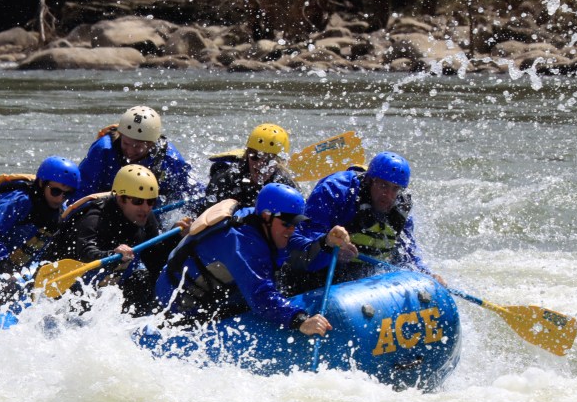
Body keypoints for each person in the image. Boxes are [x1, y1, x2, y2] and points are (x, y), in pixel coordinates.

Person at [155, 183, 337, 336]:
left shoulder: (265, 221)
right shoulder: (240, 245)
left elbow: (303, 251)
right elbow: (260, 296)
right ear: (266, 216)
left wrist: (326, 243)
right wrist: (300, 320)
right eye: (288, 224)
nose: (291, 230)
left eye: (296, 224)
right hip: (181, 306)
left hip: (221, 292)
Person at [286, 151, 444, 293]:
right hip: (321, 274)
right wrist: (329, 246)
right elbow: (303, 247)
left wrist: (426, 275)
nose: (388, 195)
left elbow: (407, 255)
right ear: (369, 181)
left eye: (395, 189)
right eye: (383, 186)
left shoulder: (400, 209)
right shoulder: (335, 191)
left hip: (361, 277)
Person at [42, 164, 190, 315]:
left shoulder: (146, 218)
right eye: (138, 201)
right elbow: (86, 253)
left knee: (143, 281)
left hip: (103, 283)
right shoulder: (93, 217)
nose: (146, 208)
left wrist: (175, 238)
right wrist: (112, 254)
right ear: (121, 199)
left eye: (150, 201)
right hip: (65, 283)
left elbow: (154, 261)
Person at [0, 156, 80, 274]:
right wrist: (3, 265)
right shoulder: (18, 200)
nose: (60, 199)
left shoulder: (61, 212)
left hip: (11, 269)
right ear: (42, 183)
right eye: (55, 191)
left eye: (67, 194)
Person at [71, 105, 202, 206]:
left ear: (151, 144)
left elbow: (193, 192)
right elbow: (81, 191)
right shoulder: (103, 150)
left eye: (138, 146)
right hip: (108, 208)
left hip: (150, 211)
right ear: (121, 136)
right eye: (126, 143)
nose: (130, 151)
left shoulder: (169, 158)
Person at [193, 123, 298, 214]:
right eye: (255, 156)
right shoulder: (227, 178)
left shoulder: (286, 185)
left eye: (268, 160)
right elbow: (205, 216)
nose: (259, 165)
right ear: (247, 155)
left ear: (279, 162)